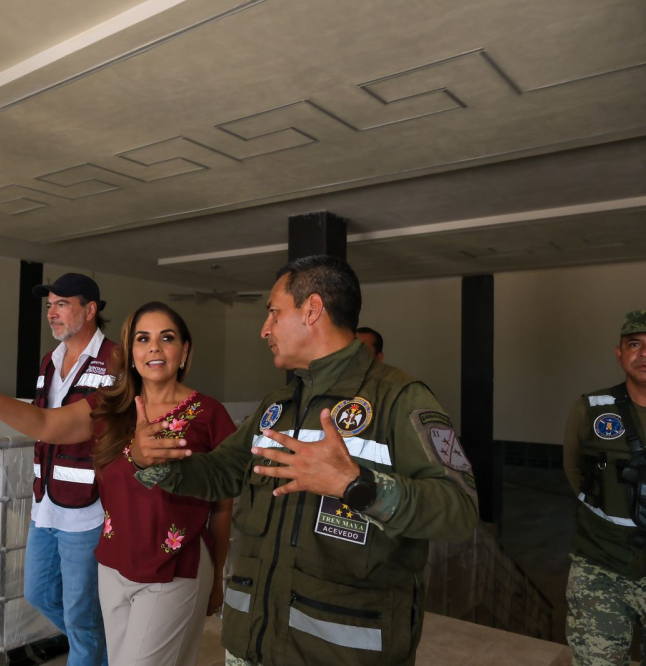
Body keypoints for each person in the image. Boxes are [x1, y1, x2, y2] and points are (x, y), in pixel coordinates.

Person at [131, 255, 479, 666]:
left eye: (274, 313)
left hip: (340, 652)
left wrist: (356, 485)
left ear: (312, 310)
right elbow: (223, 472)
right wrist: (150, 461)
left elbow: (460, 511)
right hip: (252, 645)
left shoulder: (399, 399)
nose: (265, 329)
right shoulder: (278, 404)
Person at [0, 301, 236, 666]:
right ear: (131, 351)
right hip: (112, 565)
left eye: (167, 338)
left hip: (175, 565)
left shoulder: (208, 414)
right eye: (143, 339)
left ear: (184, 350)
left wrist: (218, 575)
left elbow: (223, 504)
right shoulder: (109, 408)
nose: (154, 347)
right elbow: (46, 425)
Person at [0, 273, 114, 665]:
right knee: (39, 594)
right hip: (47, 504)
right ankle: (105, 648)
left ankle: (95, 647)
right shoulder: (50, 361)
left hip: (89, 509)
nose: (52, 314)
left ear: (90, 310)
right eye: (49, 306)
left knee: (80, 616)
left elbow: (54, 426)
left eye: (62, 304)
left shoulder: (116, 361)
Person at [563, 309, 646, 666]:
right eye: (635, 344)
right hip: (601, 563)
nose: (643, 354)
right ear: (619, 353)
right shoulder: (591, 409)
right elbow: (574, 471)